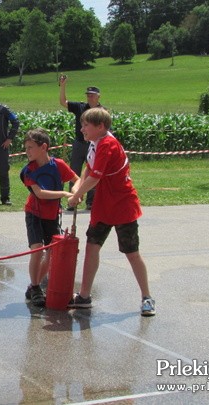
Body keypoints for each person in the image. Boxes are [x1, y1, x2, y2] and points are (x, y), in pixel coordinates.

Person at [66, 108, 155, 317]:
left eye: (86, 125)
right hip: (103, 205)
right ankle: (84, 296)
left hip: (123, 205)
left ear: (101, 127)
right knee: (92, 247)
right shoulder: (95, 144)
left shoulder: (108, 144)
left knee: (132, 253)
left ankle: (147, 297)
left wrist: (76, 195)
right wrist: (78, 185)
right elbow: (89, 168)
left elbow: (95, 177)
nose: (82, 129)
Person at [20, 128, 79, 307]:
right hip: (34, 214)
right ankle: (37, 287)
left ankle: (34, 284)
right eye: (26, 147)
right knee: (37, 248)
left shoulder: (58, 165)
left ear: (43, 147)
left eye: (30, 147)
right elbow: (40, 194)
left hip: (52, 215)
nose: (27, 151)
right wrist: (64, 193)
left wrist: (76, 193)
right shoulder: (28, 171)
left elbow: (76, 179)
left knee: (51, 251)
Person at [59, 75, 105, 211]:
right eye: (88, 95)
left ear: (98, 97)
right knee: (74, 172)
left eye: (92, 95)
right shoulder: (80, 107)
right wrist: (63, 86)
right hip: (80, 143)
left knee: (92, 173)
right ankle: (72, 200)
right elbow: (63, 102)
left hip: (94, 145)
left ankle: (90, 202)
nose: (89, 97)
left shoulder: (102, 112)